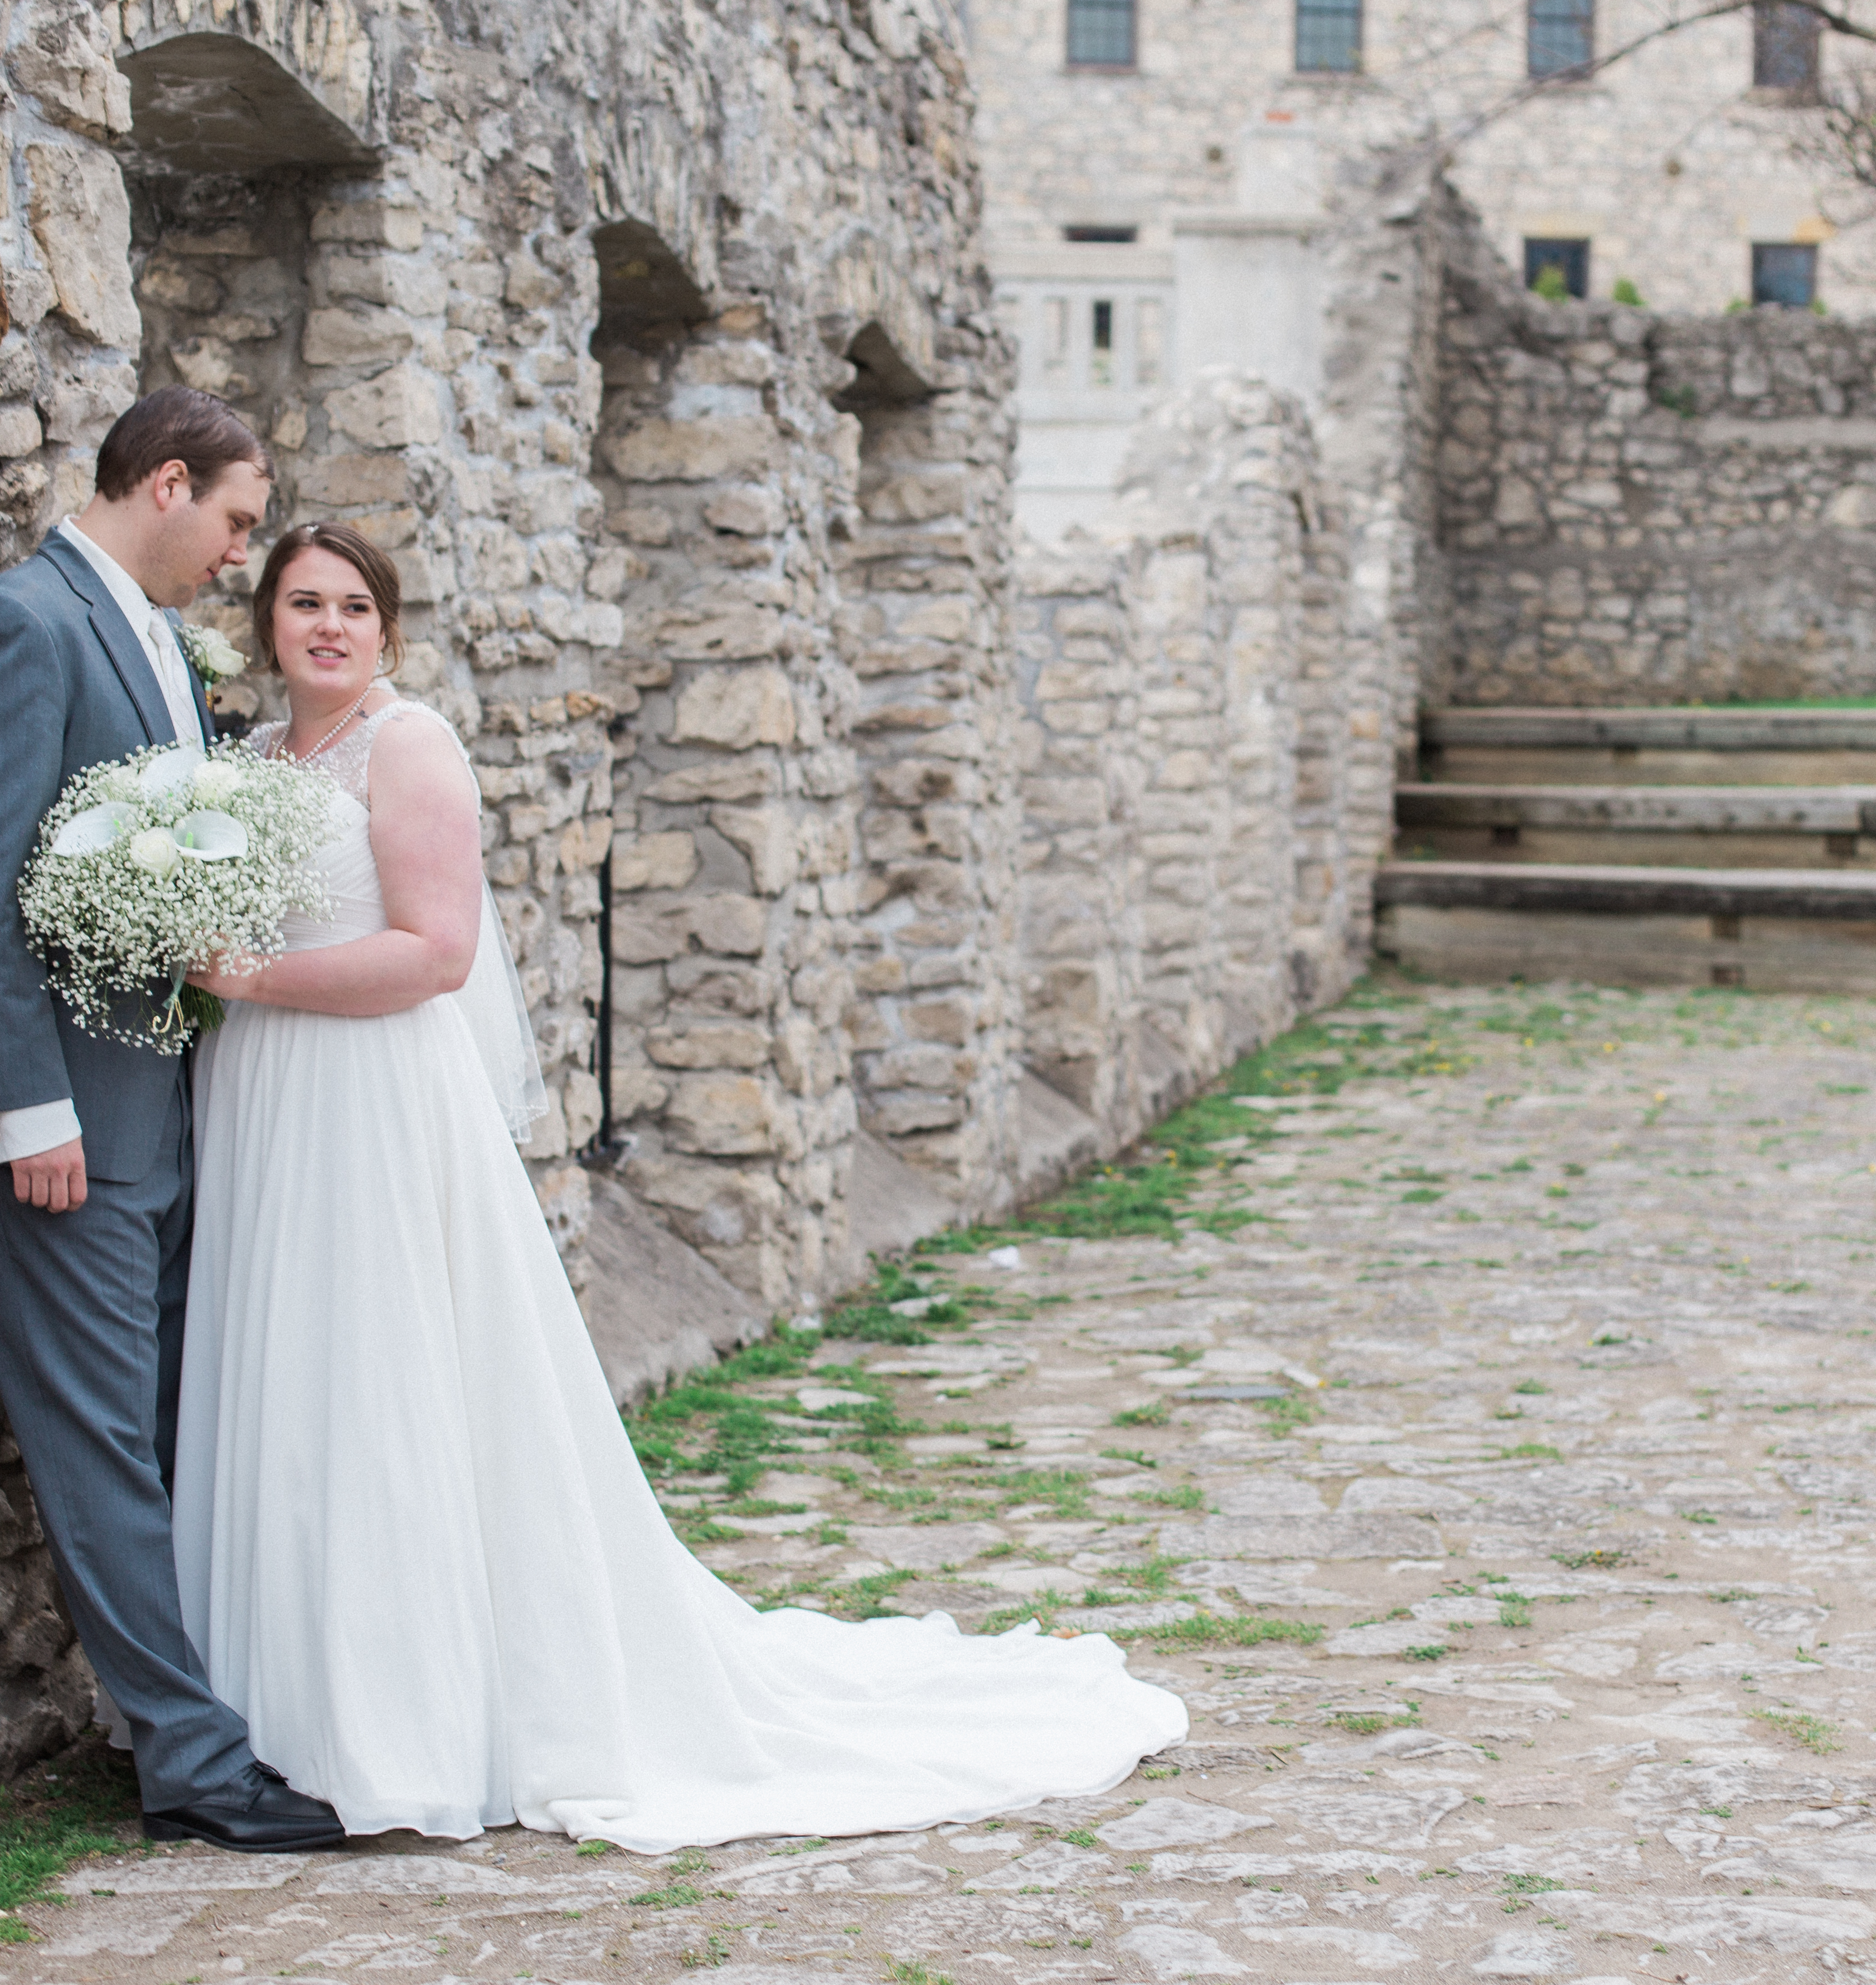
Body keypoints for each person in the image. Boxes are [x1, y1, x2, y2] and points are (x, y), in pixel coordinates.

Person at [171, 522, 1187, 1848]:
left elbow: (434, 953)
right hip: (263, 1101)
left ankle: (400, 1721)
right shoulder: (249, 759)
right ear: (264, 623)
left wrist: (247, 979)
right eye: (303, 601)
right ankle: (274, 1708)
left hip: (369, 1098)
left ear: (388, 631)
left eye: (354, 606)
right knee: (287, 1373)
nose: (327, 625)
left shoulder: (405, 745)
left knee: (382, 1376)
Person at [0, 388, 348, 1854]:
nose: (241, 554)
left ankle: (222, 1709)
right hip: (61, 1134)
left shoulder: (156, 639)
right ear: (164, 484)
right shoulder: (22, 628)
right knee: (101, 1442)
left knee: (171, 1430)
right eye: (232, 518)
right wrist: (25, 1107)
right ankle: (196, 1766)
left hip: (160, 1106)